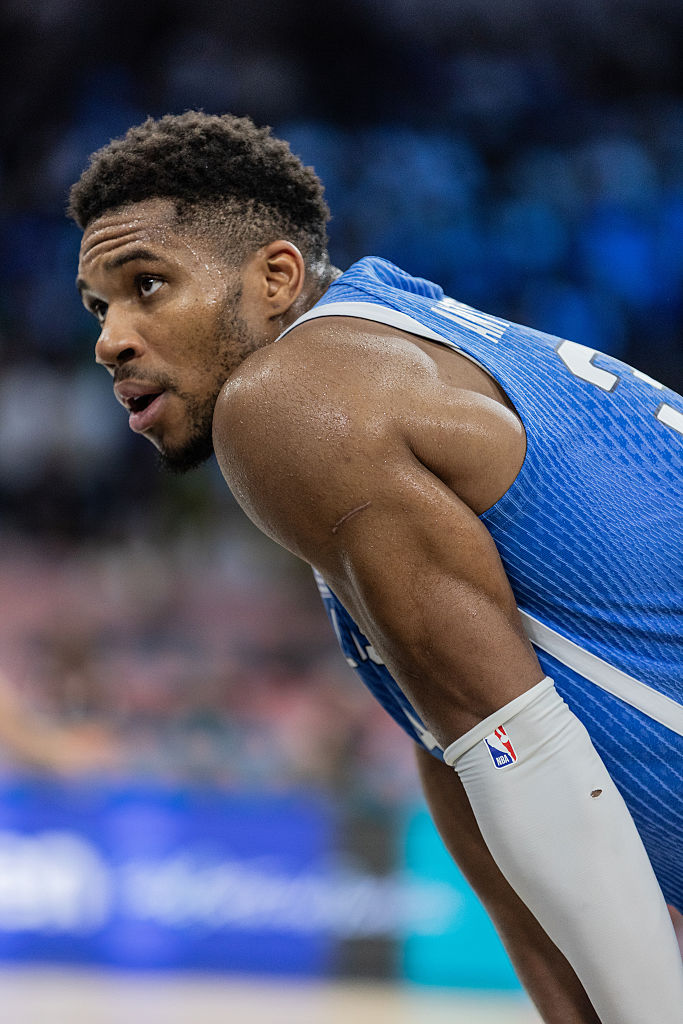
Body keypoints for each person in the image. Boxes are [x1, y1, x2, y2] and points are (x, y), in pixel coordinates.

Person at [69, 112, 683, 1024]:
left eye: (148, 286)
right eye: (99, 307)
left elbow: (512, 740)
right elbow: (464, 750)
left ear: (276, 277)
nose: (110, 340)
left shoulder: (290, 400)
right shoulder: (400, 349)